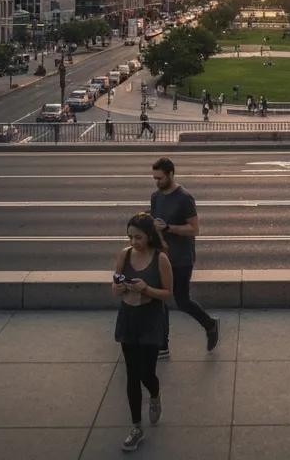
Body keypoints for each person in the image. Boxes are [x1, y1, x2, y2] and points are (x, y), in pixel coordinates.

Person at [112, 212, 172, 452]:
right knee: (132, 375)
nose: (133, 242)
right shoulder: (124, 255)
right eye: (130, 237)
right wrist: (117, 288)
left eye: (138, 237)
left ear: (148, 236)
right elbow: (115, 282)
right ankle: (136, 427)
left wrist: (146, 288)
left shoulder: (160, 259)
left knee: (147, 372)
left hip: (150, 319)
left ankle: (155, 394)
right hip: (128, 318)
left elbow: (168, 293)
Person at [150, 158, 220, 358]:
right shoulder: (155, 197)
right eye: (154, 178)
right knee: (160, 301)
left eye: (160, 178)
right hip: (162, 257)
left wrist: (169, 228)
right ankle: (162, 345)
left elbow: (194, 229)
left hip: (182, 258)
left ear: (171, 174)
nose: (157, 182)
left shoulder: (184, 198)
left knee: (182, 300)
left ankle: (210, 324)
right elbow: (156, 222)